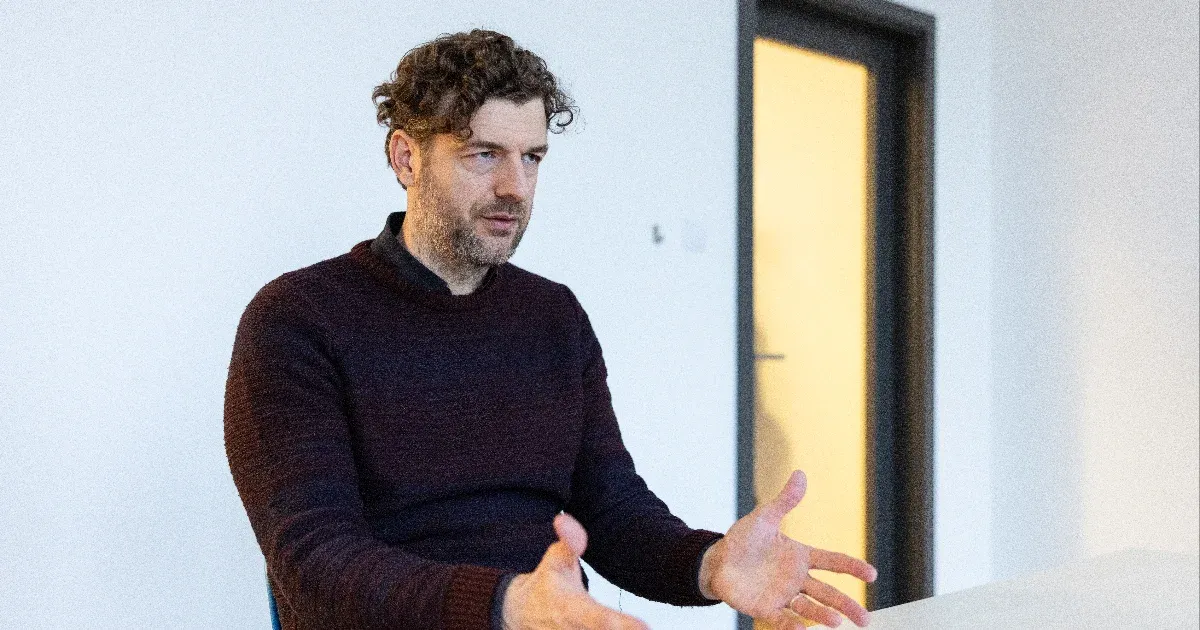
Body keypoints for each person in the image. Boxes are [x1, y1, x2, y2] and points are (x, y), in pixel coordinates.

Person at [224, 29, 876, 630]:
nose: (515, 186)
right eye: (484, 154)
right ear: (406, 157)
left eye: (532, 156)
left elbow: (613, 512)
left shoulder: (552, 317)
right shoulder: (298, 319)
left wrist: (709, 565)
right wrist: (510, 604)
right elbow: (315, 565)